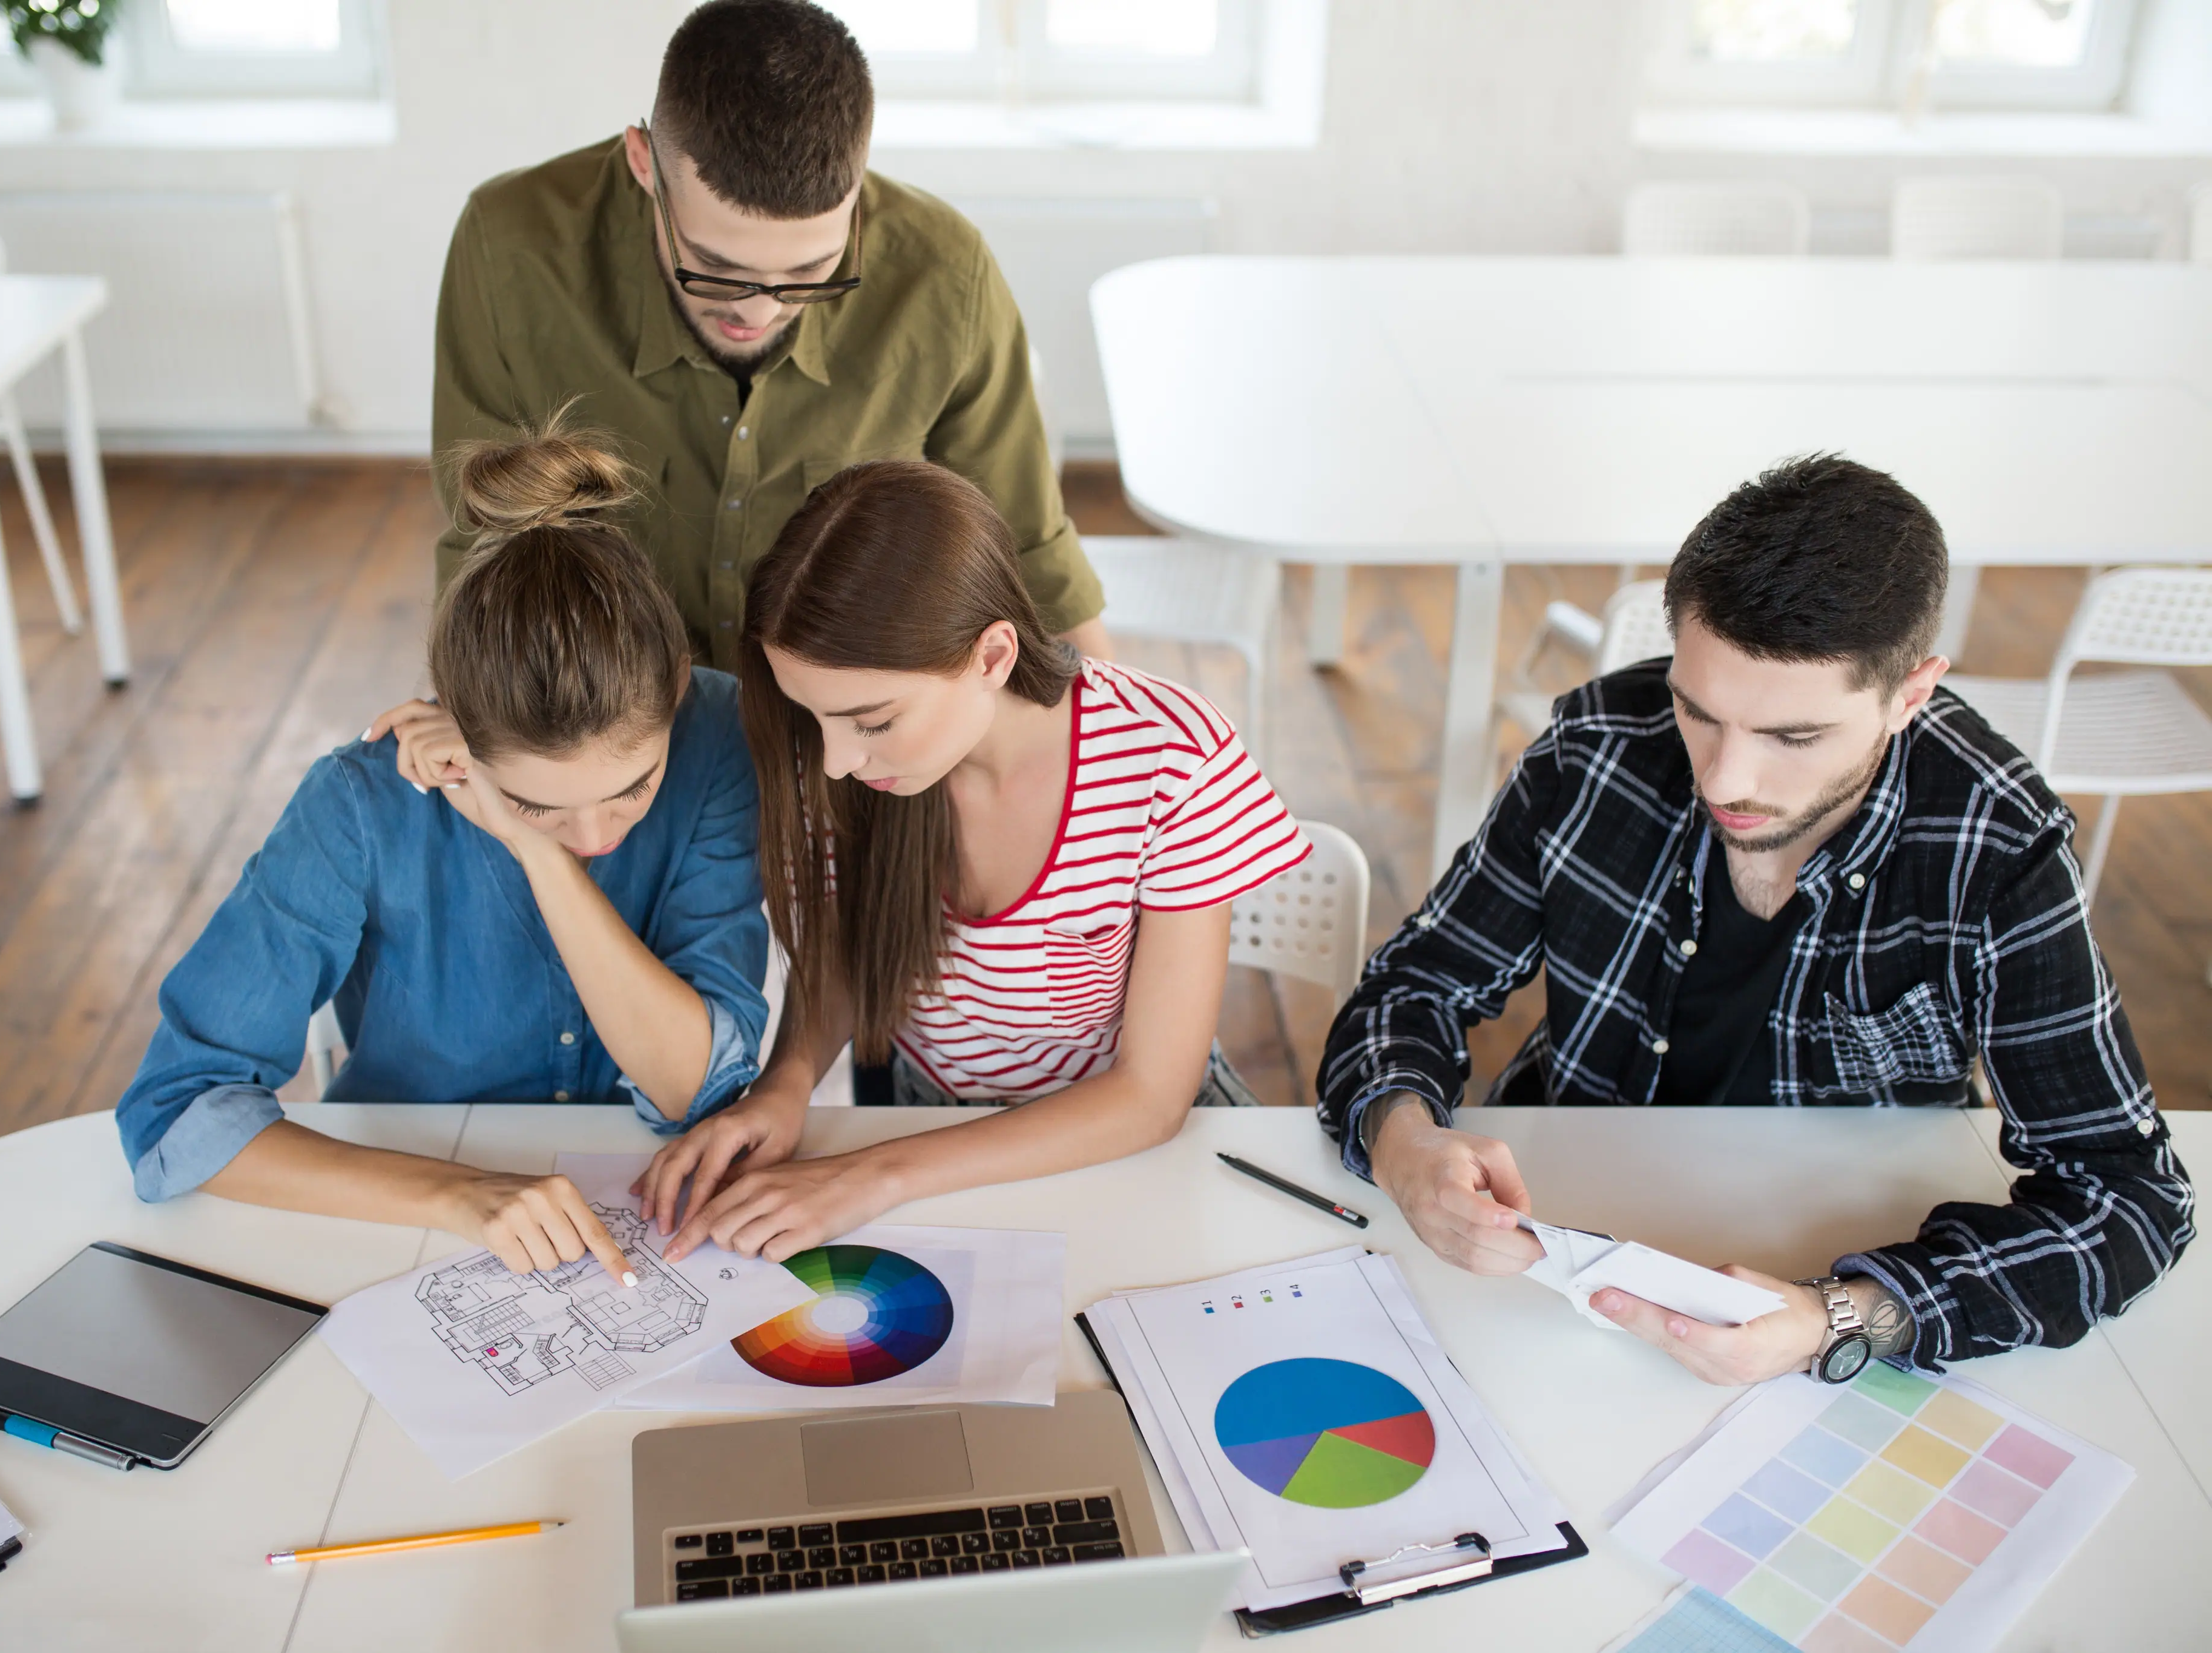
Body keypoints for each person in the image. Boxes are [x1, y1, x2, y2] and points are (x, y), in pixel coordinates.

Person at [1317, 455, 2193, 1384]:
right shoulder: (1595, 750)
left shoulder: (1995, 842)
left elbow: (2129, 1195)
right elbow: (1417, 983)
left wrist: (1840, 1316)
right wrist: (1404, 1139)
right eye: (1699, 711)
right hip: (1565, 1225)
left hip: (1840, 1251)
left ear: (1911, 692)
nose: (1725, 779)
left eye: (1794, 737)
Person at [115, 421, 770, 1282]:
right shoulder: (360, 798)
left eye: (633, 787)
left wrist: (534, 849)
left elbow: (698, 1087)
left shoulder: (717, 733)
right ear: (464, 729)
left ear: (679, 687)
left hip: (655, 1224)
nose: (600, 835)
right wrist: (455, 1195)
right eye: (542, 802)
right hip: (400, 1222)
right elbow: (175, 1114)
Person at [634, 460, 1308, 1263]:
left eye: (871, 719)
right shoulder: (858, 764)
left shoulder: (1171, 759)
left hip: (1137, 1149)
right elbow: (853, 956)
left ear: (992, 655)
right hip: (933, 1124)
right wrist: (785, 1084)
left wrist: (868, 1176)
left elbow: (1150, 1098)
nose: (840, 760)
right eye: (816, 719)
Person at [429, 0, 1109, 668]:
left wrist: (1118, 735)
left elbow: (1024, 553)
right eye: (716, 270)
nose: (756, 313)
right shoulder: (507, 246)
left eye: (811, 271)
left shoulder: (946, 271)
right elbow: (484, 546)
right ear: (644, 165)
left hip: (851, 727)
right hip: (608, 729)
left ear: (857, 184)